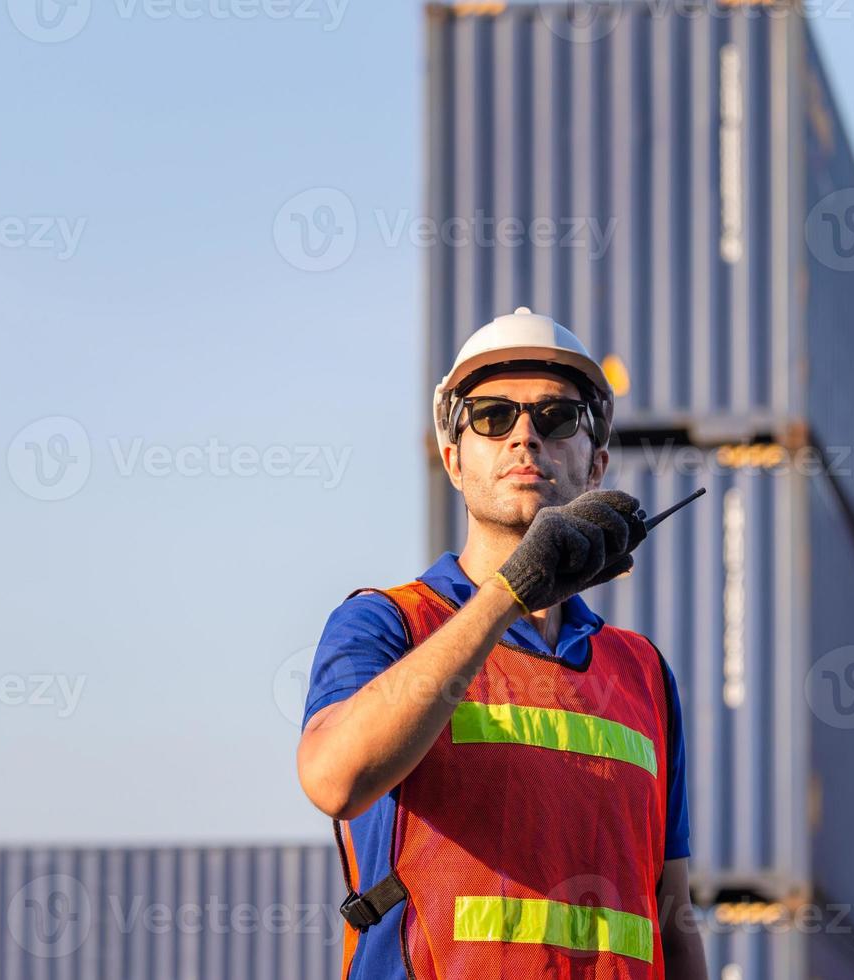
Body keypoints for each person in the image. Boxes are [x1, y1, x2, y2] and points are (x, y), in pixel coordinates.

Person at [296, 307, 708, 980]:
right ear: (454, 459)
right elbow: (334, 779)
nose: (524, 436)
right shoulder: (387, 625)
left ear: (596, 464)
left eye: (555, 419)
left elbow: (673, 916)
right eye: (491, 416)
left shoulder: (642, 674)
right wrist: (510, 591)